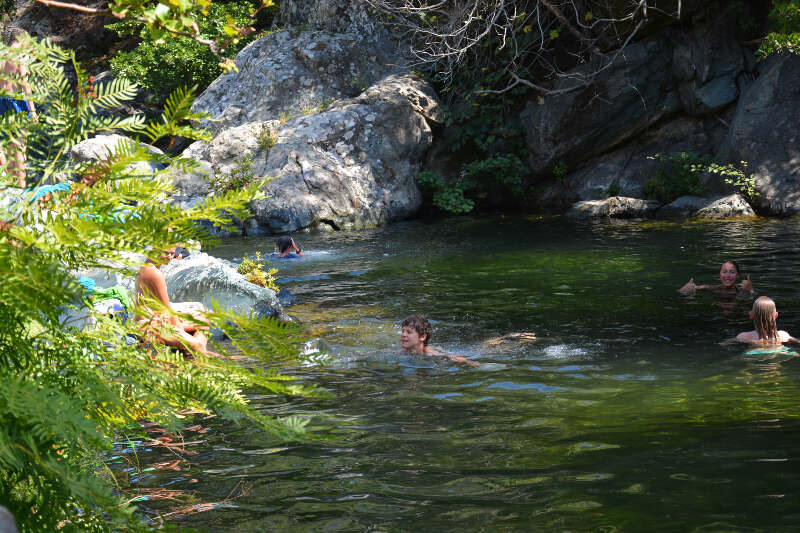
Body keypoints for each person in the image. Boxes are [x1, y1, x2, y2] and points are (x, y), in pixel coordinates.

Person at [136, 247, 215, 357]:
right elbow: (167, 310)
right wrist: (180, 331)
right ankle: (199, 358)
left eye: (172, 253)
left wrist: (179, 320)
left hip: (153, 320)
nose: (169, 257)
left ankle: (193, 354)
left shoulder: (148, 265)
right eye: (165, 252)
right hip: (149, 327)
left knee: (202, 321)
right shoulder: (154, 274)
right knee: (198, 344)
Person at [1, 28, 37, 188]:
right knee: (20, 147)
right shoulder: (20, 56)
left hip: (1, 102)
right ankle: (22, 192)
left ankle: (11, 191)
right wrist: (33, 111)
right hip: (16, 102)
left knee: (8, 146)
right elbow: (25, 84)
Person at [400, 315, 478, 366]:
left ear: (423, 336)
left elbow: (451, 357)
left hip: (463, 351)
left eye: (408, 332)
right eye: (403, 331)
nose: (403, 334)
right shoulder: (405, 351)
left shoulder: (429, 353)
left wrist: (471, 363)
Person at [725, 296, 799, 345]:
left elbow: (725, 343)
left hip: (754, 355)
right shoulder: (783, 335)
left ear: (751, 315)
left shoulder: (745, 336)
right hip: (780, 352)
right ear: (776, 315)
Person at [678, 260, 754, 296]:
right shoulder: (713, 288)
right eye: (724, 272)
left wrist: (750, 291)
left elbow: (758, 306)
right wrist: (684, 289)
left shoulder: (743, 290)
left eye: (732, 272)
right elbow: (681, 292)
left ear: (737, 275)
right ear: (720, 275)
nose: (728, 275)